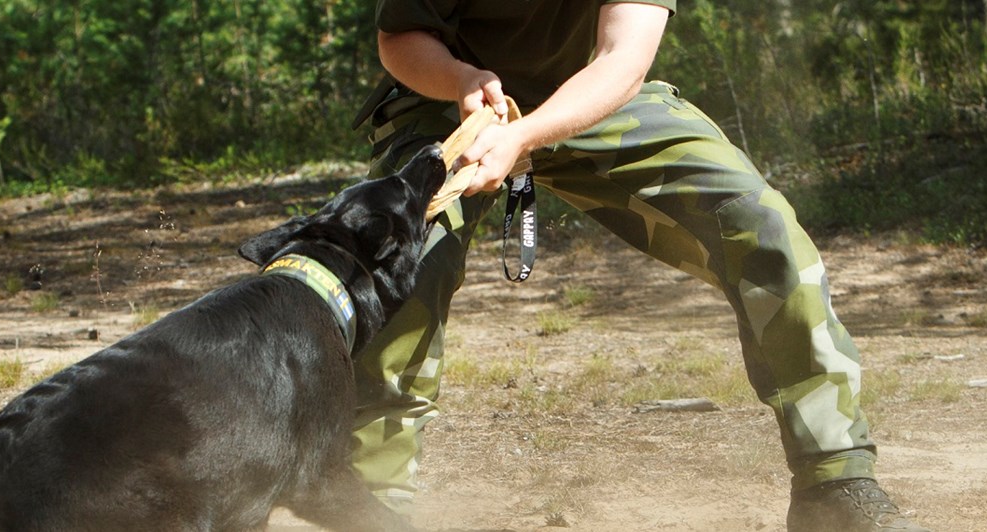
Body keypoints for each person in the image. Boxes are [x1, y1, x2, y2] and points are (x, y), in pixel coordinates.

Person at [346, 1, 932, 531]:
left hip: (594, 92)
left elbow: (622, 59)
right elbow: (401, 36)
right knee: (404, 259)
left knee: (764, 229)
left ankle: (834, 483)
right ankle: (366, 507)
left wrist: (526, 134)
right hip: (447, 106)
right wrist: (462, 79)